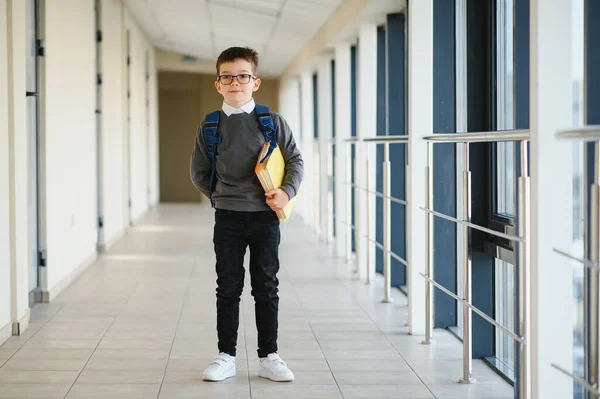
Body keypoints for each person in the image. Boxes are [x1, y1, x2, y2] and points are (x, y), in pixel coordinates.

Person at [190, 46, 303, 383]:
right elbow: (199, 172)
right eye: (227, 77)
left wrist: (285, 192)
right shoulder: (210, 126)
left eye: (242, 76)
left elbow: (295, 160)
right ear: (218, 84)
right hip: (227, 217)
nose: (234, 82)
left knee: (266, 286)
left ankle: (269, 356)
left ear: (255, 81)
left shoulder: (272, 123)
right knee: (228, 287)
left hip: (266, 217)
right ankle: (226, 356)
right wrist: (223, 196)